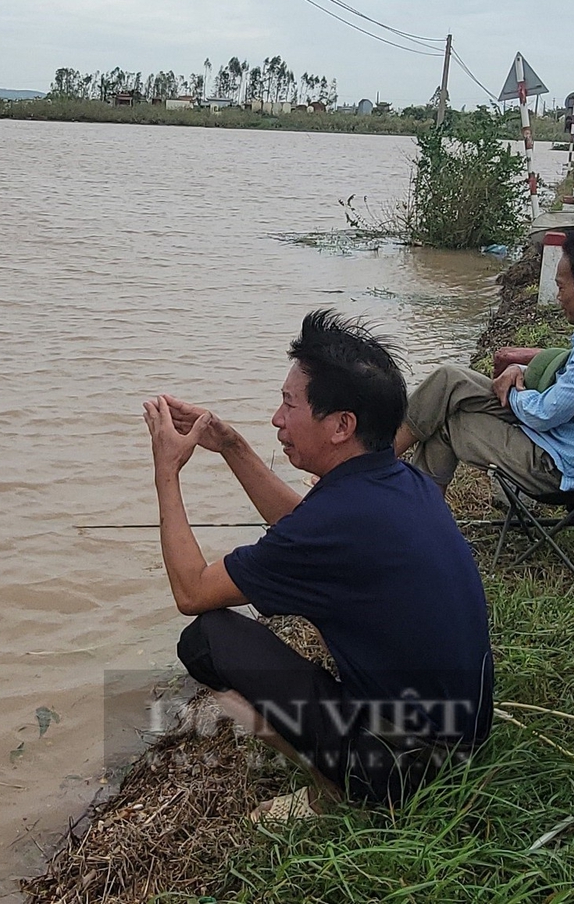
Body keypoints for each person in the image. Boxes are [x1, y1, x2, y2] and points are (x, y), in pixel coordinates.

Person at [143, 310, 493, 805]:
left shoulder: (336, 520)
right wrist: (229, 444)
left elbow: (192, 591)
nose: (277, 419)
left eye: (290, 405)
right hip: (462, 742)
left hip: (404, 772)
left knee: (206, 638)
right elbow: (301, 525)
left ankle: (337, 794)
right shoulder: (398, 480)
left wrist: (167, 470)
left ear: (341, 426)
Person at [396, 228, 574, 497]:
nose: (558, 297)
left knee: (448, 427)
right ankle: (376, 463)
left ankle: (406, 507)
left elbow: (545, 414)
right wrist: (520, 370)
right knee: (449, 380)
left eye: (561, 286)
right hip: (559, 434)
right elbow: (570, 376)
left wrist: (512, 392)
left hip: (559, 465)